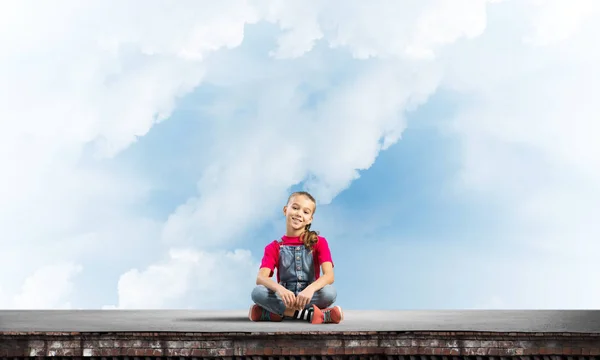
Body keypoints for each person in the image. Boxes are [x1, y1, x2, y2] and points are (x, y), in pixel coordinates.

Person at [248, 191, 343, 324]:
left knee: (329, 293)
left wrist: (310, 289)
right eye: (295, 208)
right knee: (257, 293)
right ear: (286, 210)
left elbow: (329, 276)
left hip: (309, 295)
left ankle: (274, 313)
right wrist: (280, 289)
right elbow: (261, 278)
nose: (299, 214)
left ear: (310, 219)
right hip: (284, 296)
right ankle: (310, 315)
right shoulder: (274, 247)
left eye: (306, 212)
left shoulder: (319, 242)